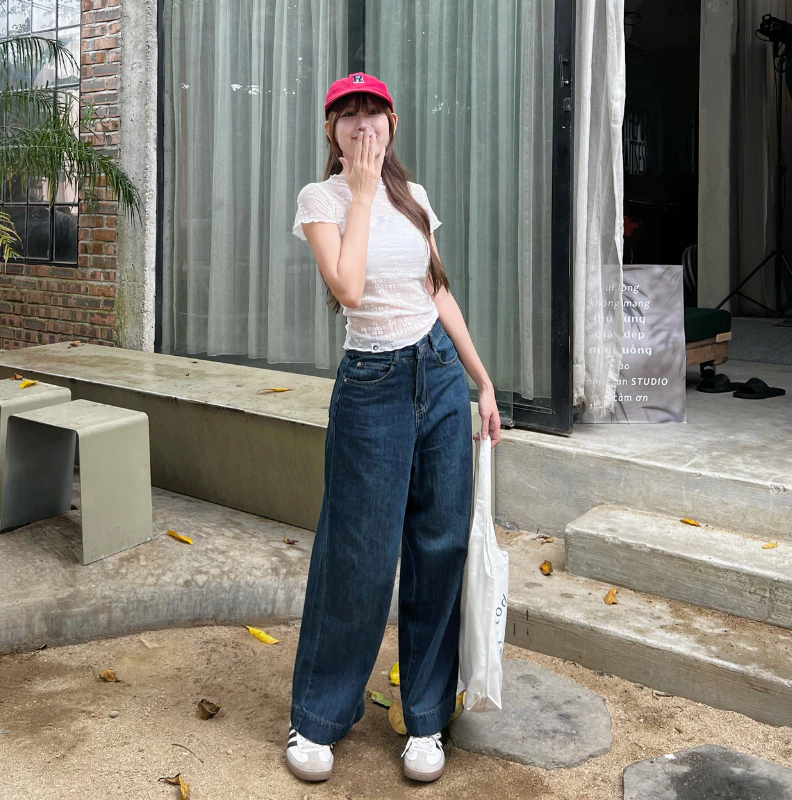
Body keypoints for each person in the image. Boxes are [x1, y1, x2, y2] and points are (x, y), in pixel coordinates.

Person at [287, 72, 501, 785]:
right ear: (331, 129)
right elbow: (348, 289)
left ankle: (427, 717)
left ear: (393, 122)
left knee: (439, 546)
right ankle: (318, 717)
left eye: (373, 112)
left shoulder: (415, 198)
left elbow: (436, 290)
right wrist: (359, 192)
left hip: (438, 376)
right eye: (347, 114)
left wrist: (481, 381)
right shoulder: (321, 200)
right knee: (358, 555)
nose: (362, 124)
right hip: (372, 386)